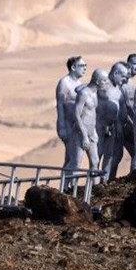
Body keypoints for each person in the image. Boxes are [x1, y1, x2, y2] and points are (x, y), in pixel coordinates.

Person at [72, 69, 109, 187]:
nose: (106, 83)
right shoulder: (84, 94)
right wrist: (84, 136)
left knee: (95, 161)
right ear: (98, 81)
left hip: (91, 132)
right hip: (80, 132)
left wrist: (93, 132)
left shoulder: (95, 92)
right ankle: (72, 190)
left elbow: (92, 113)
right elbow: (77, 115)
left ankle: (95, 189)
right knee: (77, 163)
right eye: (104, 80)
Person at [56, 56, 87, 186]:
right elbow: (60, 105)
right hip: (67, 124)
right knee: (74, 158)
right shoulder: (64, 82)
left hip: (75, 125)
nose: (85, 68)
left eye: (86, 65)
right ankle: (67, 186)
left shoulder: (79, 84)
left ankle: (65, 186)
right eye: (82, 66)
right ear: (73, 67)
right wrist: (62, 126)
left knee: (70, 158)